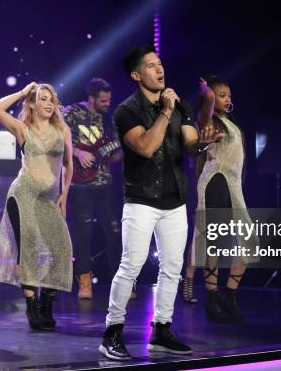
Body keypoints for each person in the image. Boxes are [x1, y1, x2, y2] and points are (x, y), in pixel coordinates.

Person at [99, 45, 221, 360]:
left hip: (175, 200)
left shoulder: (180, 106)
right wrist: (165, 112)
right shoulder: (127, 110)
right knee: (132, 265)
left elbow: (192, 148)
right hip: (141, 199)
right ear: (136, 74)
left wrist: (204, 143)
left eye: (160, 63)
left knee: (172, 268)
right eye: (151, 65)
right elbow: (145, 146)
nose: (159, 68)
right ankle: (112, 331)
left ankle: (162, 330)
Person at [0, 81, 74, 331]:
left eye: (51, 99)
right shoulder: (22, 128)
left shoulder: (63, 129)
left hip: (50, 200)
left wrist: (65, 194)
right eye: (42, 99)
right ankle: (32, 306)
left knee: (61, 249)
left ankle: (47, 302)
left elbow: (68, 165)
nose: (48, 103)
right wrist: (23, 92)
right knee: (29, 250)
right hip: (22, 196)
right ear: (33, 105)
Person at [186, 76, 255, 321]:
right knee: (213, 241)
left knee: (249, 241)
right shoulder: (207, 122)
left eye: (229, 95)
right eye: (222, 95)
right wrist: (208, 93)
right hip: (216, 182)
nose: (228, 99)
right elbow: (207, 106)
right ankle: (212, 297)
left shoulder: (230, 123)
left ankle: (229, 294)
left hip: (233, 185)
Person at [63, 77, 123, 300]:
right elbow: (57, 139)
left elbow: (118, 151)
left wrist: (108, 157)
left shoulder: (110, 120)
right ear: (91, 98)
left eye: (109, 100)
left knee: (113, 232)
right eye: (104, 100)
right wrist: (78, 153)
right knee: (83, 236)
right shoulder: (71, 113)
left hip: (105, 185)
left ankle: (120, 282)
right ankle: (84, 282)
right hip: (80, 185)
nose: (108, 103)